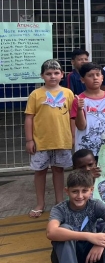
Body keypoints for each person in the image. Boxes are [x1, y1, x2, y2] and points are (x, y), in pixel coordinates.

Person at [25, 59, 75, 218]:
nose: (52, 76)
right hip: (41, 142)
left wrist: (73, 136)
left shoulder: (68, 93)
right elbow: (29, 118)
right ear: (42, 76)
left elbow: (72, 117)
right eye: (48, 73)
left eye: (56, 73)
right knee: (40, 172)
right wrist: (29, 140)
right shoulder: (36, 94)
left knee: (59, 170)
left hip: (62, 140)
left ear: (62, 75)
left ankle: (60, 202)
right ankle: (40, 203)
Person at [71, 63, 105, 156]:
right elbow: (81, 126)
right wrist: (79, 109)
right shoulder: (79, 100)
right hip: (86, 148)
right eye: (90, 75)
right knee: (88, 170)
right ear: (82, 80)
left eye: (98, 74)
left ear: (102, 77)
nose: (95, 78)